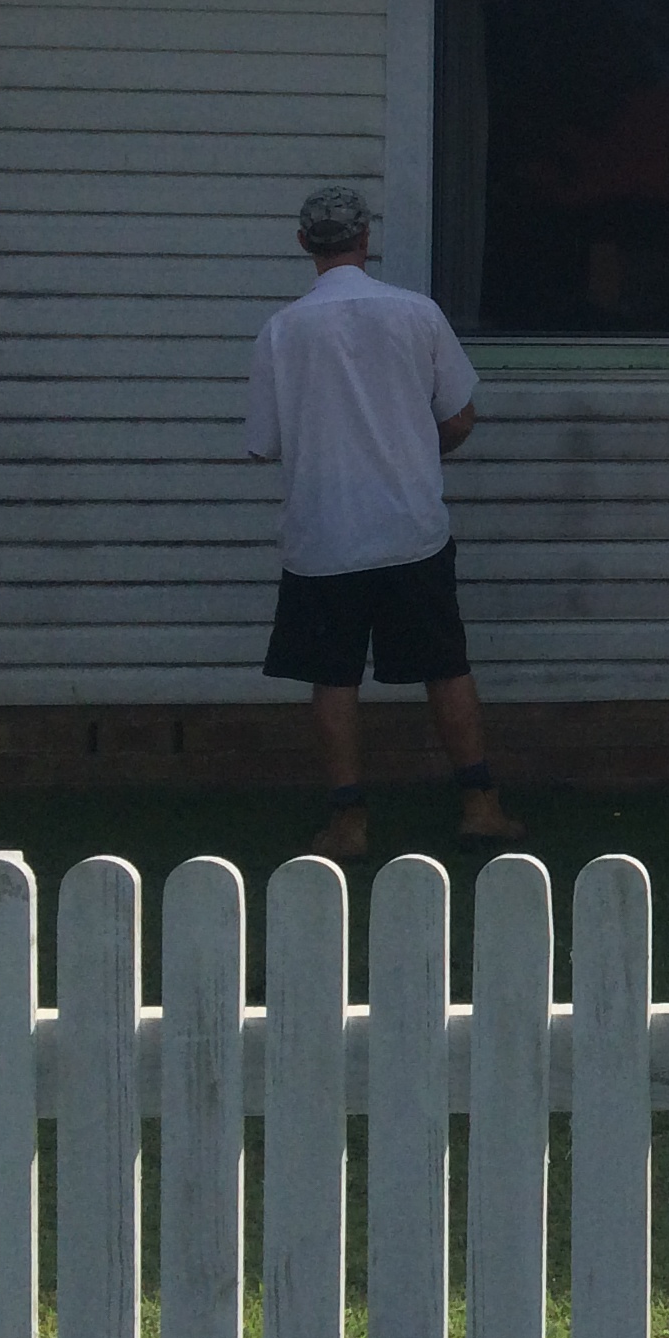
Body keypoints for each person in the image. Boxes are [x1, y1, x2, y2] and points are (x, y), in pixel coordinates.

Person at [245, 183, 522, 859]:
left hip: (323, 536)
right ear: (365, 239)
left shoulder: (283, 331)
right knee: (445, 666)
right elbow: (460, 417)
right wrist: (415, 449)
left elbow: (265, 444)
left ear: (305, 244)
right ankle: (480, 805)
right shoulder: (416, 314)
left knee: (334, 677)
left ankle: (349, 821)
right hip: (410, 530)